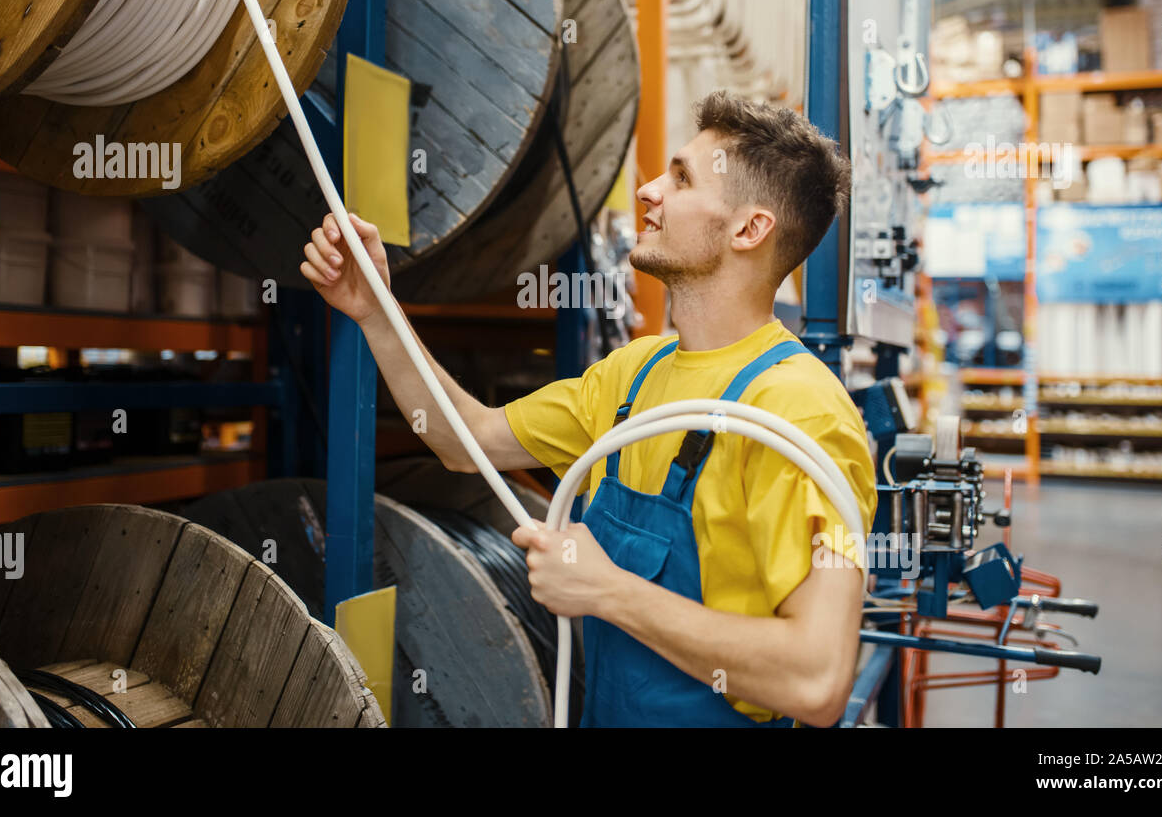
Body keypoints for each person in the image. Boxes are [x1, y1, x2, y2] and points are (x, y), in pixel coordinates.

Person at [301, 90, 877, 728]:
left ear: (749, 229)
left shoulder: (800, 412)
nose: (650, 191)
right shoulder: (636, 375)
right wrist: (374, 305)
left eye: (681, 179)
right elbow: (467, 439)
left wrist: (607, 590)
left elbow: (817, 679)